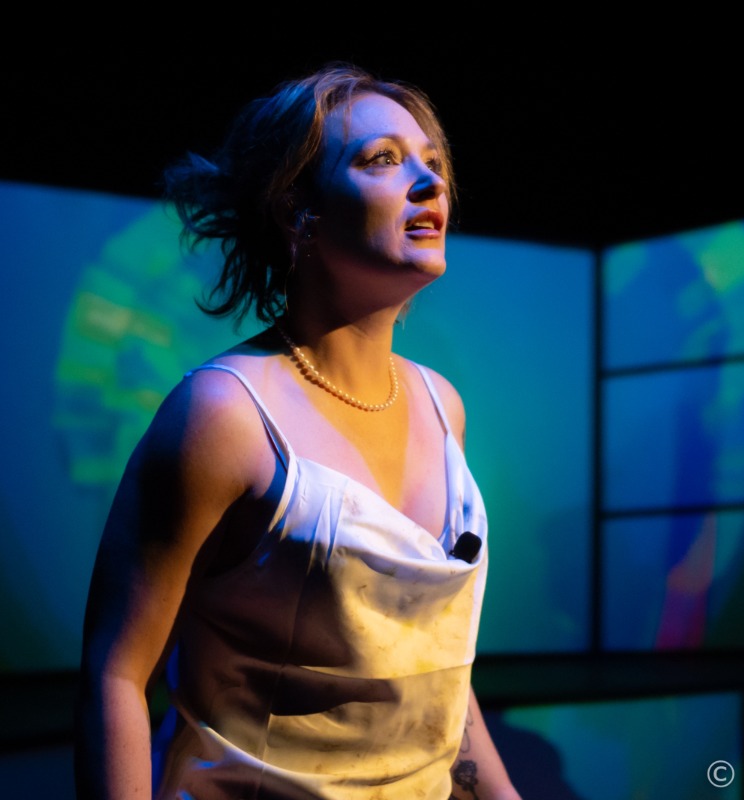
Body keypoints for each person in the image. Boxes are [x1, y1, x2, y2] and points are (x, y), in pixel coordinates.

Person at [75, 62, 521, 800]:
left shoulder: (443, 404)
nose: (430, 183)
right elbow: (116, 674)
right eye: (382, 159)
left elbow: (429, 671)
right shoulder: (224, 414)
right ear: (297, 209)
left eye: (434, 163)